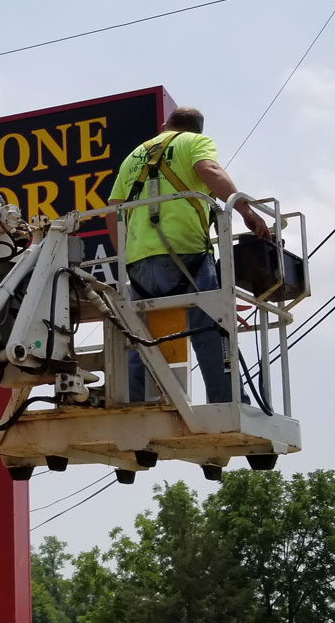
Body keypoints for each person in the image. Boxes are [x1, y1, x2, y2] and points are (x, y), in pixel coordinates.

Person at [105, 106, 270, 403]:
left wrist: (125, 258)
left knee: (140, 337)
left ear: (164, 125)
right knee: (209, 328)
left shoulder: (134, 155)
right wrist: (245, 210)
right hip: (186, 254)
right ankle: (228, 403)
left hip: (138, 261)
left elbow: (113, 209)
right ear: (197, 130)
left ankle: (136, 403)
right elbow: (209, 171)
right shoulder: (194, 142)